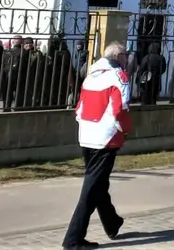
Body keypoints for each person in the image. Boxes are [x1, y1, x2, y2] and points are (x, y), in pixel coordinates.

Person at [62, 41, 131, 250]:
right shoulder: (120, 77)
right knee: (91, 189)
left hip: (86, 135)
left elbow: (79, 107)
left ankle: (112, 222)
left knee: (97, 183)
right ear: (119, 56)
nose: (127, 59)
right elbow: (120, 110)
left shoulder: (91, 75)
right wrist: (124, 131)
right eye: (126, 55)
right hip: (107, 138)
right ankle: (72, 240)